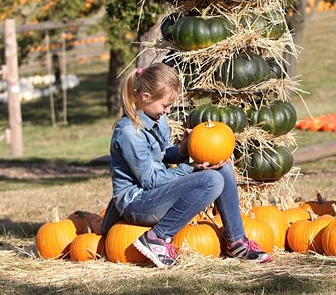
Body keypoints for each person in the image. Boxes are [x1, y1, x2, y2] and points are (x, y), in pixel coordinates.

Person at [101, 63, 270, 268]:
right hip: (138, 203)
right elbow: (149, 180)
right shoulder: (129, 132)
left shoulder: (157, 118)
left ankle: (236, 240)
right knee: (211, 179)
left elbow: (162, 155)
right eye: (165, 105)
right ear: (145, 97)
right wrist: (191, 168)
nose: (168, 111)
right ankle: (157, 237)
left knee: (220, 167)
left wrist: (183, 150)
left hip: (155, 193)